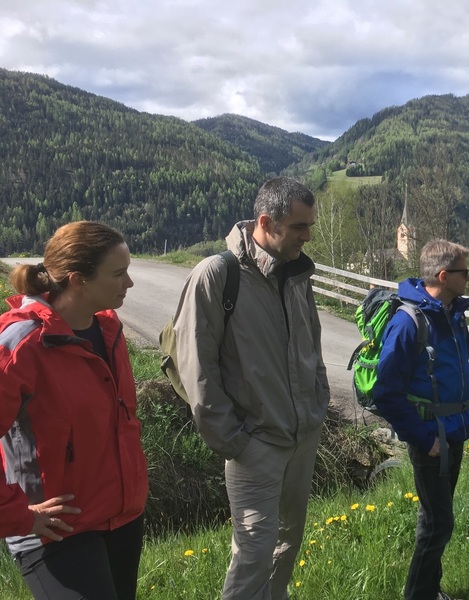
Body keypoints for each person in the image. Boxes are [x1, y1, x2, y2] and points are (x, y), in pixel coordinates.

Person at [173, 176, 329, 600]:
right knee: (254, 555)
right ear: (266, 222)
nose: (307, 236)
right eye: (299, 226)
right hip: (254, 443)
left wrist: (318, 404)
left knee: (288, 543)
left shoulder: (298, 274)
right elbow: (196, 366)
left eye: (309, 226)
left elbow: (312, 345)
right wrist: (235, 440)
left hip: (302, 437)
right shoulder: (218, 274)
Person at [0, 221, 148, 600]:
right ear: (78, 280)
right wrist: (18, 515)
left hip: (122, 518)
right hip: (54, 531)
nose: (129, 283)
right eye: (118, 273)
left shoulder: (109, 330)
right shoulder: (22, 344)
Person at [373, 239, 469, 600]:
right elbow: (386, 392)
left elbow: (461, 368)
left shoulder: (453, 314)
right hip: (432, 439)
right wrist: (424, 439)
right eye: (465, 272)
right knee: (439, 523)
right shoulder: (409, 323)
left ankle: (429, 590)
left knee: (435, 520)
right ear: (444, 276)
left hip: (455, 430)